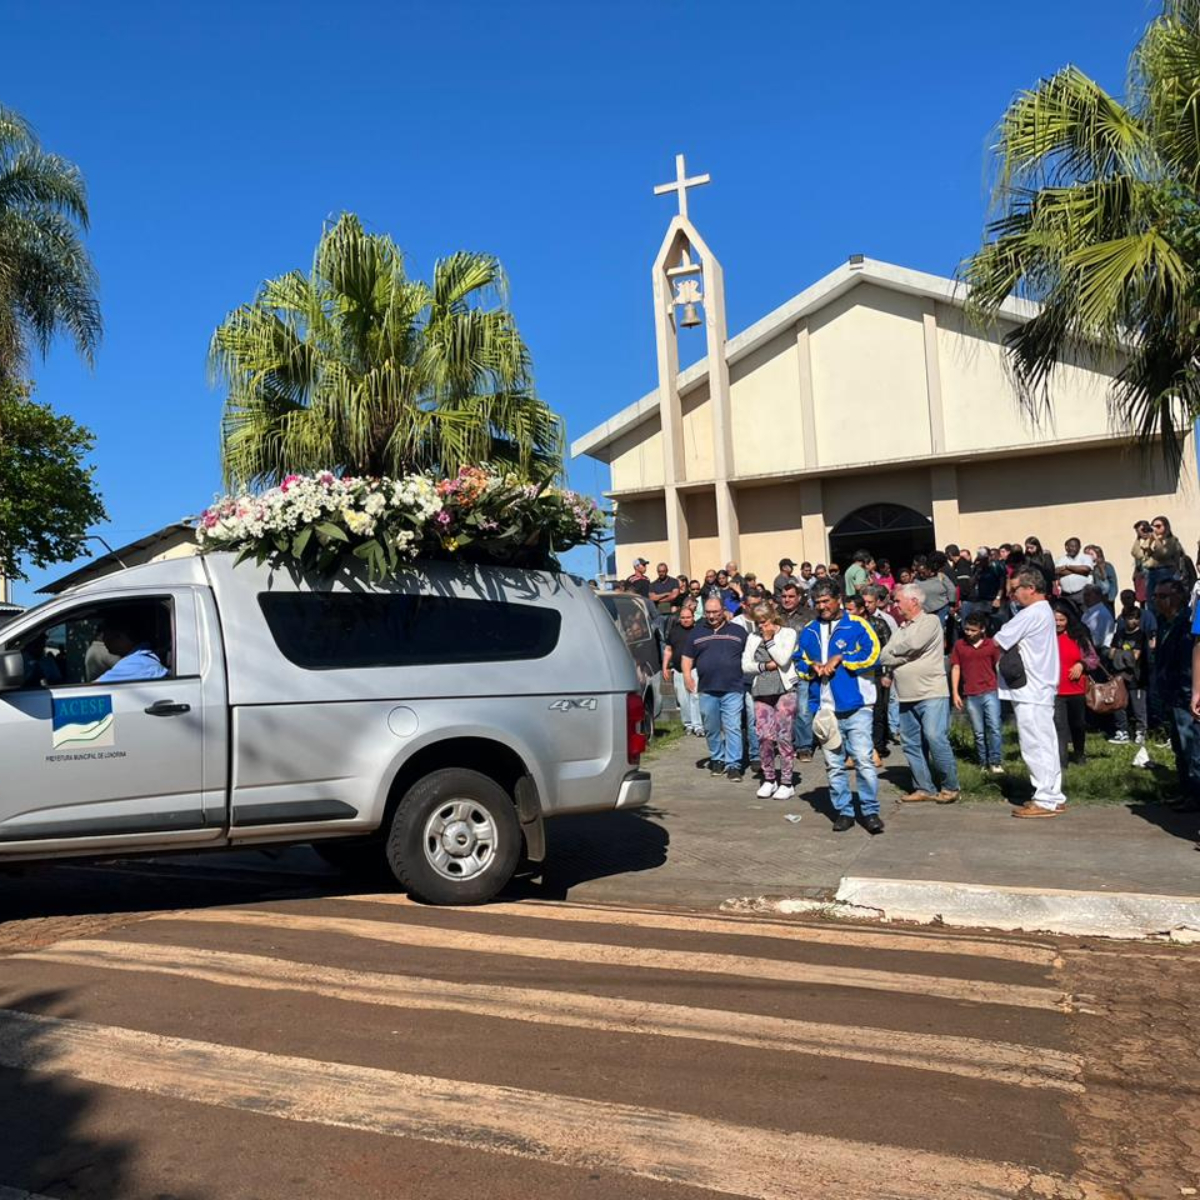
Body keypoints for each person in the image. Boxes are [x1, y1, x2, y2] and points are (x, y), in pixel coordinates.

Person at [794, 579, 883, 834]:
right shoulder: (810, 630)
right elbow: (798, 661)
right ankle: (844, 810)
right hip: (825, 708)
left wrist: (843, 659)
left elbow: (874, 654)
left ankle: (870, 810)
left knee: (864, 760)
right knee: (834, 764)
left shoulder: (856, 625)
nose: (821, 606)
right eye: (817, 602)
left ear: (838, 599)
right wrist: (811, 668)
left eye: (826, 601)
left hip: (857, 705)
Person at [880, 583, 960, 803]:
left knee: (935, 738)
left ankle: (950, 786)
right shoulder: (901, 628)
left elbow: (915, 643)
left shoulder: (930, 621)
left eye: (898, 601)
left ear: (913, 601)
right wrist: (905, 655)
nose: (895, 605)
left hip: (931, 692)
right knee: (912, 743)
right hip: (906, 694)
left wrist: (900, 653)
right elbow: (884, 655)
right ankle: (923, 787)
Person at [994, 569, 1064, 818]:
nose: (1014, 595)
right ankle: (1053, 794)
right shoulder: (1045, 610)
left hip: (1030, 688)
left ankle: (1044, 798)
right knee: (1047, 743)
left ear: (1030, 589)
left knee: (1034, 744)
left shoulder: (1031, 613)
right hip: (1040, 686)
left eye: (1016, 590)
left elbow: (999, 640)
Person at [681, 596, 749, 782]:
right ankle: (717, 759)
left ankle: (734, 764)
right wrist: (687, 676)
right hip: (707, 688)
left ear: (723, 611)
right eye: (708, 612)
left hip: (733, 687)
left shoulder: (738, 631)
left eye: (715, 612)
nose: (711, 616)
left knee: (732, 727)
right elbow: (687, 657)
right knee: (711, 727)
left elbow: (749, 655)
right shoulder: (697, 632)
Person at [741, 601, 800, 800]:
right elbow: (745, 664)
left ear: (772, 617)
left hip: (785, 689)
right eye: (758, 623)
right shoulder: (752, 637)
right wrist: (765, 666)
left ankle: (786, 781)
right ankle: (769, 778)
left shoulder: (788, 633)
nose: (761, 627)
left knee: (784, 736)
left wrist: (769, 640)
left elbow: (783, 660)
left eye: (764, 622)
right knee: (764, 736)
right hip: (762, 689)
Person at [1152, 579, 1200, 810]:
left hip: (1186, 693)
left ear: (1179, 597)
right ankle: (1186, 791)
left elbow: (1191, 661)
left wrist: (1189, 692)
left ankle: (1196, 795)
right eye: (1156, 596)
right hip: (1170, 693)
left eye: (1164, 596)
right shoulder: (1163, 622)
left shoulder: (1188, 621)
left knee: (1192, 748)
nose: (1159, 601)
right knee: (1180, 749)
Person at [951, 612, 1003, 773]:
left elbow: (998, 665)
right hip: (971, 693)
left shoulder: (991, 645)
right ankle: (982, 761)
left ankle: (995, 761)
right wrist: (955, 692)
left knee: (994, 727)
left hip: (990, 690)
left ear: (982, 630)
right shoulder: (960, 645)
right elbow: (956, 667)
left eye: (973, 630)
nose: (969, 633)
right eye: (967, 629)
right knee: (978, 731)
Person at [847, 593, 890, 765]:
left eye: (850, 609)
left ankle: (876, 749)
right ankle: (854, 752)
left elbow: (888, 650)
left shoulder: (878, 624)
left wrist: (888, 673)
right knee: (854, 713)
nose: (846, 613)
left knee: (877, 712)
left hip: (876, 673)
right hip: (855, 673)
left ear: (861, 609)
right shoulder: (847, 627)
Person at [778, 582, 816, 764]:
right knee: (783, 710)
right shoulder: (775, 615)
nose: (787, 600)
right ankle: (785, 744)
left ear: (799, 597)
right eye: (784, 596)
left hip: (802, 667)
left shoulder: (810, 616)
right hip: (781, 669)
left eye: (791, 596)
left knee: (803, 709)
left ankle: (804, 746)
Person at [1053, 603, 1094, 768]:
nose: (1058, 623)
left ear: (1068, 620)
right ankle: (1062, 760)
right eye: (1055, 620)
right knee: (1060, 726)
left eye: (1061, 620)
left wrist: (1082, 665)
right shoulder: (1046, 637)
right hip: (1056, 690)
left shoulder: (1078, 637)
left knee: (1077, 724)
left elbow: (1093, 659)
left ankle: (1079, 753)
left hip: (1076, 689)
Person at [1107, 604, 1148, 746]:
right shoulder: (1119, 634)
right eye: (1130, 618)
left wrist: (1121, 654)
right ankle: (1122, 731)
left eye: (1136, 618)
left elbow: (1135, 657)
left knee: (1138, 707)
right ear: (1124, 619)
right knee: (1119, 705)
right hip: (1119, 676)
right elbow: (1111, 653)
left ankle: (1140, 732)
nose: (1133, 621)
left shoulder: (1141, 635)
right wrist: (1125, 655)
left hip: (1136, 677)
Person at [663, 604, 703, 737]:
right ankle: (688, 724)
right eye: (683, 617)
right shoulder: (674, 631)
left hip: (695, 668)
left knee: (695, 697)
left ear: (693, 617)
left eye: (688, 617)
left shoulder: (699, 630)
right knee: (683, 699)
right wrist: (665, 667)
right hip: (678, 669)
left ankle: (698, 725)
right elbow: (668, 650)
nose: (685, 620)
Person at [95, 615, 169, 683]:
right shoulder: (142, 659)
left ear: (121, 637)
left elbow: (92, 691)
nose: (104, 640)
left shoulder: (136, 664)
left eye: (107, 635)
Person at [1145, 517, 1184, 595]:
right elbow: (1140, 554)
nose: (1155, 529)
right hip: (1151, 572)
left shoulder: (1172, 540)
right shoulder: (1152, 540)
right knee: (1151, 599)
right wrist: (1148, 540)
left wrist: (1156, 539)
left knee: (1164, 596)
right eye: (1153, 526)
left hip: (1165, 571)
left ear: (1166, 526)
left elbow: (1163, 553)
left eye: (1158, 526)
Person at [915, 555, 956, 629]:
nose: (921, 575)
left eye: (923, 573)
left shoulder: (940, 577)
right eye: (919, 573)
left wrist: (952, 605)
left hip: (942, 608)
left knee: (940, 628)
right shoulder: (916, 581)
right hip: (927, 611)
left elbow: (952, 589)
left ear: (929, 570)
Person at [1055, 538, 1094, 613]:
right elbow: (1057, 571)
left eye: (1074, 546)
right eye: (1070, 546)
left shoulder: (1086, 557)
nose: (1072, 548)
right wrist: (1078, 570)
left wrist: (1067, 567)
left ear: (1079, 547)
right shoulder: (1060, 559)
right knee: (1069, 617)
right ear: (1066, 547)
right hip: (1066, 595)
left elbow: (1086, 569)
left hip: (1081, 593)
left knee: (1085, 616)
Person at [1085, 545, 1119, 610]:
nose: (1089, 556)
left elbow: (1113, 582)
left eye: (1091, 554)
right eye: (1086, 554)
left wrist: (1111, 597)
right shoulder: (1085, 567)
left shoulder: (1107, 566)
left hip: (1105, 597)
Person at [1081, 585, 1115, 650]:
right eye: (1085, 595)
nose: (1086, 598)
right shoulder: (1087, 613)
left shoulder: (1102, 614)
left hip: (1100, 651)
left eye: (1089, 595)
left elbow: (1098, 641)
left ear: (1098, 596)